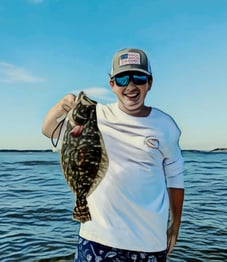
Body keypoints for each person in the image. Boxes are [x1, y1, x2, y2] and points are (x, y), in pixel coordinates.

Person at [42, 48, 184, 262]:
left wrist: (175, 225)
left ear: (150, 83)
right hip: (96, 237)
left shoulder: (166, 126)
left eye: (139, 78)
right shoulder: (95, 115)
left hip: (150, 241)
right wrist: (62, 105)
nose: (131, 85)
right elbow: (48, 130)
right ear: (112, 84)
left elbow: (175, 177)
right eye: (122, 78)